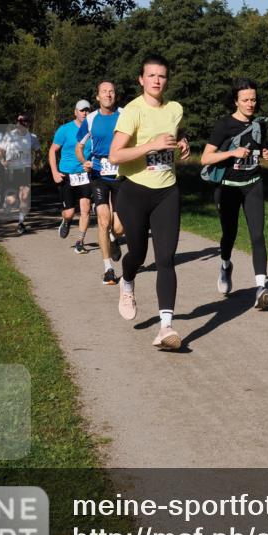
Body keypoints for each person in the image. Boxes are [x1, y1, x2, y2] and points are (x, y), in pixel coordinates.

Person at [109, 55, 190, 350]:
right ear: (141, 80)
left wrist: (182, 143)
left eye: (162, 76)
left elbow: (175, 134)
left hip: (167, 191)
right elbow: (115, 155)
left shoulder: (175, 109)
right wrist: (151, 146)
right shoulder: (133, 111)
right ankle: (127, 281)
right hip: (135, 191)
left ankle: (165, 327)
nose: (157, 80)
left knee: (166, 259)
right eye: (151, 75)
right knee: (138, 255)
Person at [200, 78, 268, 309]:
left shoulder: (260, 124)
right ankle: (225, 265)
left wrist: (265, 153)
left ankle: (261, 288)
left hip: (253, 184)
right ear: (236, 101)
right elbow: (205, 158)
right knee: (229, 234)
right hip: (228, 188)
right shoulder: (224, 125)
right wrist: (232, 153)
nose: (251, 103)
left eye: (253, 99)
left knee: (257, 235)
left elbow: (259, 148)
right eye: (245, 100)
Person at [75, 81, 124, 283]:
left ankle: (114, 239)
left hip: (121, 174)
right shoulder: (91, 119)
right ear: (98, 97)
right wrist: (83, 161)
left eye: (111, 91)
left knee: (120, 226)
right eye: (104, 92)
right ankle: (108, 269)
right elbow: (79, 146)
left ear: (115, 95)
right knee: (103, 220)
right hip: (98, 173)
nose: (108, 94)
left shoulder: (125, 114)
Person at [49, 101, 93, 253]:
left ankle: (80, 241)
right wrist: (54, 172)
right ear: (75, 112)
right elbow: (52, 150)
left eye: (87, 110)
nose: (85, 113)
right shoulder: (65, 129)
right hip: (67, 174)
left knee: (86, 208)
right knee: (69, 212)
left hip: (85, 174)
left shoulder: (93, 129)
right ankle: (66, 221)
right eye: (82, 110)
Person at [0, 114, 41, 235]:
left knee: (25, 196)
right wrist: (3, 162)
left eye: (25, 121)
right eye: (21, 121)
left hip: (25, 170)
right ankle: (6, 204)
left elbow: (38, 151)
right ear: (17, 122)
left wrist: (36, 162)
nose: (23, 123)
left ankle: (21, 223)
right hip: (11, 170)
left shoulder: (32, 137)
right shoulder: (9, 136)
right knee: (12, 199)